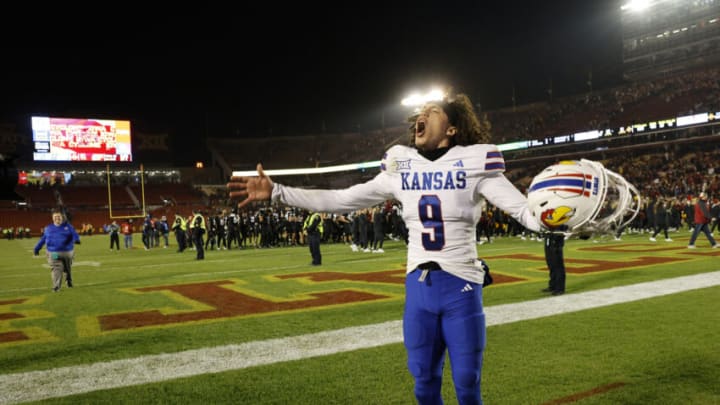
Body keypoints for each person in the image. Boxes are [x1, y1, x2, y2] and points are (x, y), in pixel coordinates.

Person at [228, 92, 543, 405]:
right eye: (421, 110)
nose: (422, 114)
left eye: (432, 110)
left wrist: (556, 218)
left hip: (461, 287)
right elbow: (341, 200)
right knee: (423, 383)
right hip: (419, 290)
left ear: (451, 129)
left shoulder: (476, 162)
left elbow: (525, 213)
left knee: (467, 384)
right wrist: (278, 192)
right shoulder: (401, 166)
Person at [33, 209, 81, 292]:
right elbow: (43, 239)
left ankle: (68, 280)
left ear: (62, 217)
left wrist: (76, 240)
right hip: (54, 253)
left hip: (67, 252)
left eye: (59, 216)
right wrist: (36, 248)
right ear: (52, 218)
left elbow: (75, 235)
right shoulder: (48, 228)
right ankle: (56, 286)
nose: (57, 218)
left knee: (67, 268)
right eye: (55, 217)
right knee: (56, 268)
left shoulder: (68, 226)